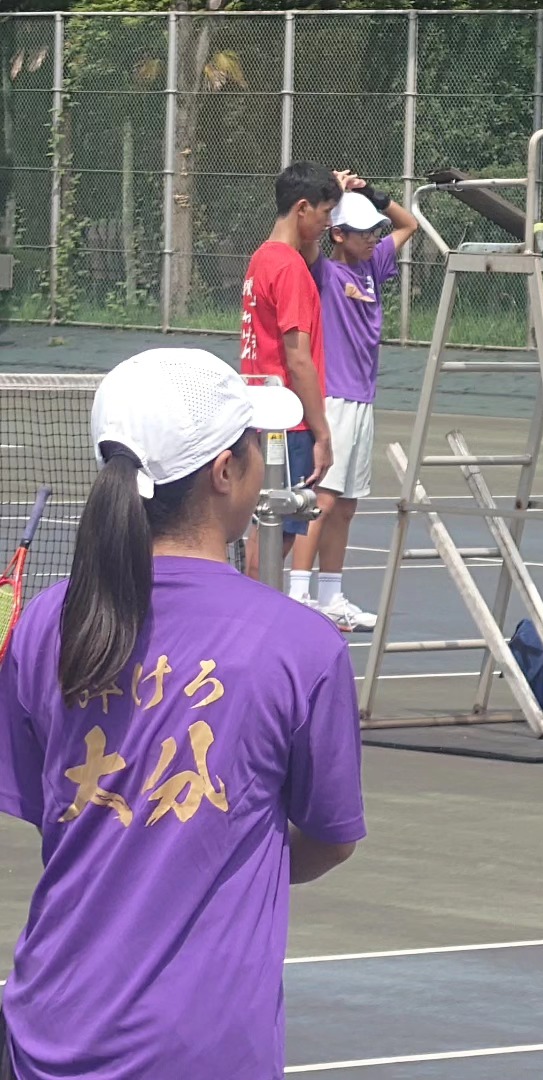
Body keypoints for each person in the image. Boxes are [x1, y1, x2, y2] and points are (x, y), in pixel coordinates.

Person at [0, 349, 365, 1079]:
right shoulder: (301, 646)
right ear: (225, 472)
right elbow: (330, 838)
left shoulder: (44, 623)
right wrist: (222, 854)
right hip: (202, 1048)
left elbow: (61, 815)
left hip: (44, 1034)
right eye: (255, 446)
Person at [287, 173, 419, 630]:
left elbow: (408, 224)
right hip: (333, 399)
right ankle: (299, 595)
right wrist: (331, 194)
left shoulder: (373, 265)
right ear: (338, 234)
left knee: (345, 505)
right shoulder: (324, 272)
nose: (372, 238)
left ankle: (330, 596)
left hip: (363, 400)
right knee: (321, 501)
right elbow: (302, 240)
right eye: (362, 232)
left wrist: (371, 196)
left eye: (373, 231)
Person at [239, 161, 342, 581]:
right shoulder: (288, 268)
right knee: (274, 535)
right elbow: (298, 359)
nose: (328, 224)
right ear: (302, 208)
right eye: (324, 213)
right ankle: (249, 613)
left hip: (260, 415)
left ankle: (249, 608)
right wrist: (322, 433)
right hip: (288, 425)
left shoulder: (263, 258)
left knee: (265, 528)